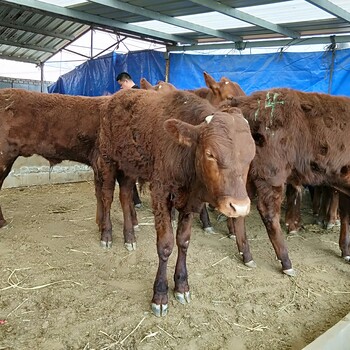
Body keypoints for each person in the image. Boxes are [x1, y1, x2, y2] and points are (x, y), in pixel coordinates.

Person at [116, 72, 142, 209]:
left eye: (121, 85)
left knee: (129, 169)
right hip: (136, 137)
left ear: (125, 81)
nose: (121, 89)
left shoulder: (135, 94)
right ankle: (135, 199)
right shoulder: (142, 92)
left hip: (135, 138)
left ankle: (136, 199)